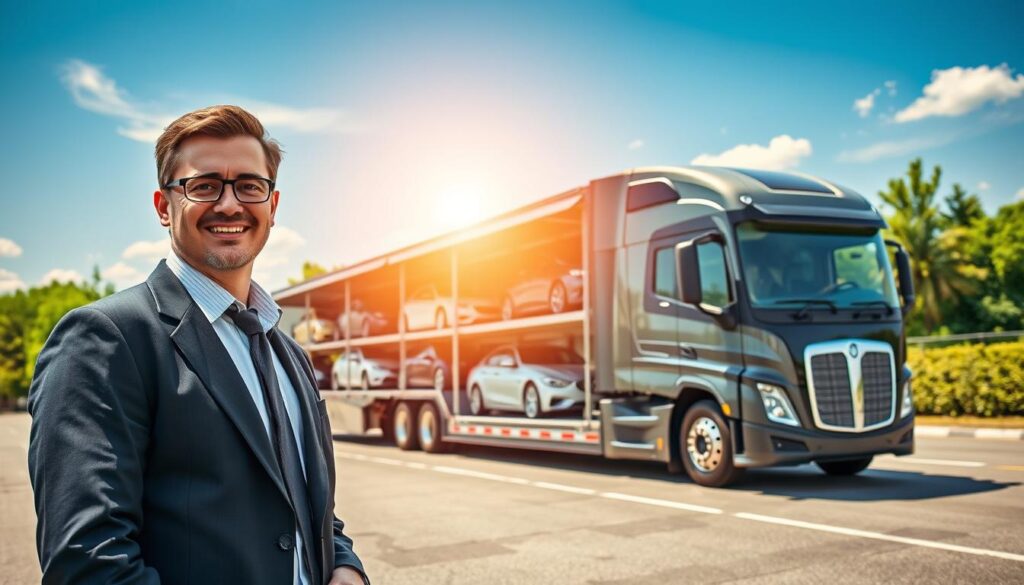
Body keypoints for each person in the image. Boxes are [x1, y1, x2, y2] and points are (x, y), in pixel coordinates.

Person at [27, 105, 369, 585]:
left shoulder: (288, 354)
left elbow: (306, 504)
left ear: (272, 206)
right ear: (163, 207)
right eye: (204, 186)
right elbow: (89, 562)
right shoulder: (105, 339)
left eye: (249, 185)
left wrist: (347, 567)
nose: (229, 205)